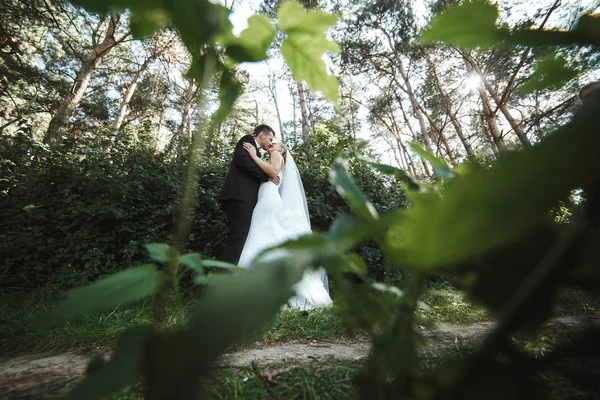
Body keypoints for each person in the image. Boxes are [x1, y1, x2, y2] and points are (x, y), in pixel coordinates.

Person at [238, 141, 333, 311]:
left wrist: (253, 156)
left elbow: (273, 171)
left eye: (275, 143)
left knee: (262, 238)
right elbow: (269, 172)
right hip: (266, 201)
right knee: (267, 239)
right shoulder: (272, 158)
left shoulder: (275, 155)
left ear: (282, 150)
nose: (271, 144)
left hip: (268, 202)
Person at [218, 125, 279, 265]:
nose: (271, 143)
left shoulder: (257, 152)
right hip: (239, 196)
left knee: (240, 238)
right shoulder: (247, 141)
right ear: (262, 135)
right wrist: (265, 175)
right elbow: (242, 161)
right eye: (270, 139)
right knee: (238, 238)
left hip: (244, 198)